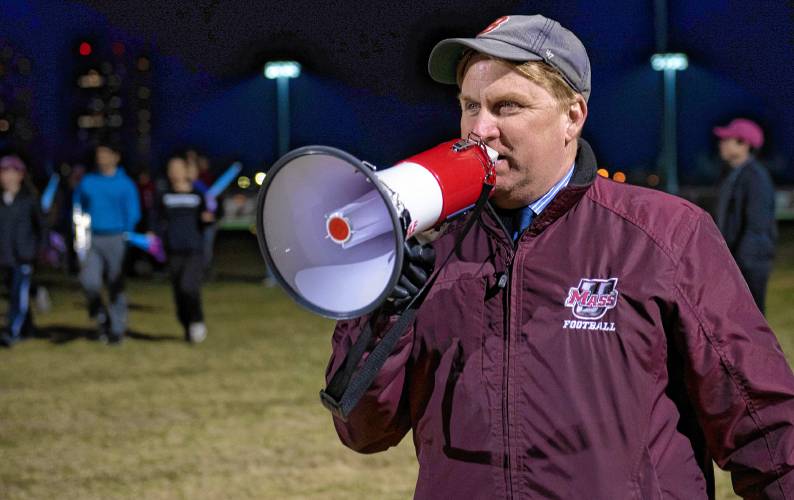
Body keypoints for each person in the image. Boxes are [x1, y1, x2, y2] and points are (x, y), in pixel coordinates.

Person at [325, 15, 794, 499]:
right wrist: (381, 312)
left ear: (572, 116)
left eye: (507, 106)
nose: (479, 128)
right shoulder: (434, 248)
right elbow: (362, 431)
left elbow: (764, 426)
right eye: (469, 106)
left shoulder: (664, 235)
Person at [73, 143, 140, 344]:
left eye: (105, 153)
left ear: (116, 156)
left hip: (117, 238)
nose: (101, 157)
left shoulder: (125, 184)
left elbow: (133, 212)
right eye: (99, 154)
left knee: (115, 284)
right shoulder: (88, 182)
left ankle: (117, 328)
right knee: (89, 281)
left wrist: (127, 235)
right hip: (93, 237)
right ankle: (101, 316)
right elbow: (78, 207)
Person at [713, 118, 777, 314]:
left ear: (744, 144)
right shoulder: (731, 175)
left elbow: (757, 226)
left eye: (727, 139)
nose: (721, 144)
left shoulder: (755, 177)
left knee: (752, 320)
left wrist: (740, 263)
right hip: (736, 260)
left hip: (749, 262)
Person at [155, 155, 212, 343]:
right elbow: (156, 219)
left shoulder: (197, 194)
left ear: (186, 170)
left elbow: (210, 216)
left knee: (189, 287)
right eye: (171, 168)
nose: (175, 172)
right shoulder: (164, 195)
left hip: (194, 249)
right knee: (179, 291)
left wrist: (208, 219)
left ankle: (197, 320)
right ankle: (186, 325)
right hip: (173, 250)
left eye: (178, 167)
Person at [0, 155, 44, 346]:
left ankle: (11, 332)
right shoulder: (1, 201)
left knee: (19, 296)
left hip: (24, 256)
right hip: (5, 257)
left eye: (12, 172)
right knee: (15, 293)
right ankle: (28, 328)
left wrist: (39, 251)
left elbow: (41, 227)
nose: (8, 177)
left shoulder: (29, 200)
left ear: (21, 175)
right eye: (4, 172)